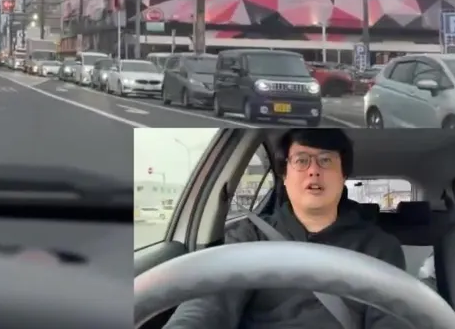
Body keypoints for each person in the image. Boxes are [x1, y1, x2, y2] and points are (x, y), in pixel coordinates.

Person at [163, 128, 409, 329]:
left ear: (343, 175)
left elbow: (392, 322)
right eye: (301, 160)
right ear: (284, 176)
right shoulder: (249, 238)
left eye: (326, 160)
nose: (314, 170)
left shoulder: (380, 248)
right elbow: (207, 305)